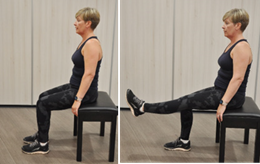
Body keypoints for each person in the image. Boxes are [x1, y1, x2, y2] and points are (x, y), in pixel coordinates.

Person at [126, 8, 252, 152]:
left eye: (227, 23)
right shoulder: (233, 44)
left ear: (238, 25)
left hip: (231, 97)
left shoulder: (242, 47)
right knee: (185, 101)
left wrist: (223, 103)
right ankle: (183, 142)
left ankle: (142, 107)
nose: (223, 26)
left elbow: (238, 78)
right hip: (220, 90)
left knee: (184, 103)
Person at [22, 7, 103, 154]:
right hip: (74, 86)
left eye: (78, 21)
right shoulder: (85, 41)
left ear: (88, 24)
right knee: (42, 96)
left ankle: (42, 144)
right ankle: (42, 134)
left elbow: (89, 75)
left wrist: (78, 100)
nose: (74, 23)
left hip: (85, 93)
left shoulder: (92, 45)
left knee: (42, 103)